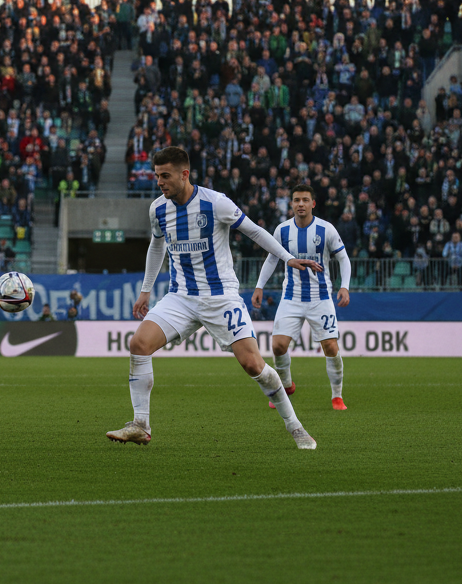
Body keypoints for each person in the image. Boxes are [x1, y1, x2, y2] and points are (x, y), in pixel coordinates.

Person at [108, 147, 322, 449]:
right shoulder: (158, 208)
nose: (160, 182)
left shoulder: (215, 203)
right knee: (138, 344)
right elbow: (157, 247)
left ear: (184, 174)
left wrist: (287, 258)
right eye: (157, 176)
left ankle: (296, 427)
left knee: (252, 365)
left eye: (165, 176)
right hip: (180, 297)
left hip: (220, 297)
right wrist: (146, 289)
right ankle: (141, 424)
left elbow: (255, 232)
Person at [252, 184, 352, 412]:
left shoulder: (326, 230)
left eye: (305, 200)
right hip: (291, 297)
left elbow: (343, 259)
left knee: (330, 346)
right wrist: (259, 286)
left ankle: (337, 396)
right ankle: (286, 386)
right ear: (291, 204)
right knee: (277, 346)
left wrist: (344, 287)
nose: (300, 204)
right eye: (296, 200)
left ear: (313, 204)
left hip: (321, 297)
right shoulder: (282, 230)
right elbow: (271, 259)